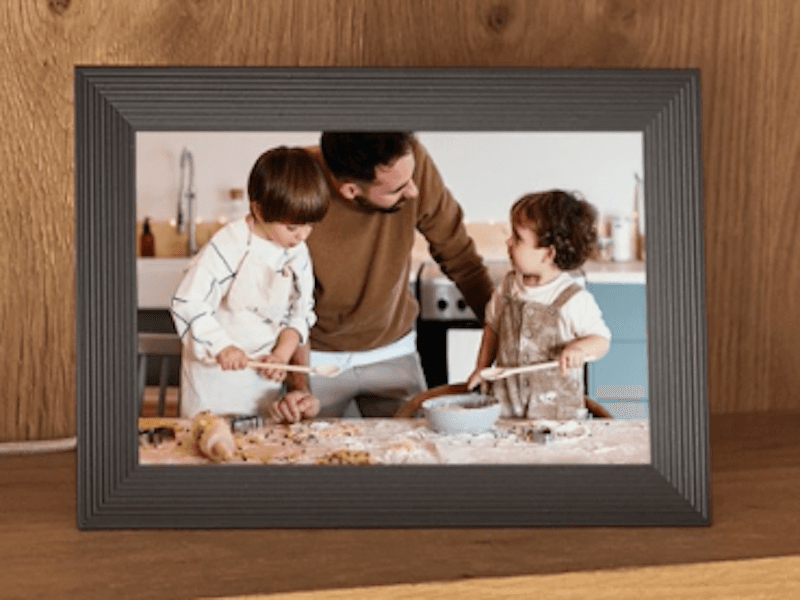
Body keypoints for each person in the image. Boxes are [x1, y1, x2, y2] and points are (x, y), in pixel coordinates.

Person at [271, 132, 494, 423]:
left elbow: (462, 260)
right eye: (398, 188)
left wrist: (503, 340)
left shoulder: (406, 156)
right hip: (316, 362)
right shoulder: (296, 180)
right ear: (350, 190)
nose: (414, 191)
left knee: (415, 455)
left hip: (395, 352)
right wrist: (296, 384)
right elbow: (284, 299)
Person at [170, 146, 328, 419]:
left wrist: (281, 355)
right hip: (215, 381)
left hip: (262, 383)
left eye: (309, 225)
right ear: (258, 209)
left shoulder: (297, 251)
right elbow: (188, 301)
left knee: (258, 446)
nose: (302, 236)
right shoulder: (229, 243)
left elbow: (300, 314)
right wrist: (222, 346)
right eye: (292, 227)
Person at [466, 189, 612, 420]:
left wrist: (580, 349)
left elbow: (601, 340)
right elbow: (492, 328)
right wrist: (481, 369)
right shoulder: (507, 288)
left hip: (557, 416)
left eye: (518, 238)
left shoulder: (573, 299)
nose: (508, 242)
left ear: (548, 254)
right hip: (506, 409)